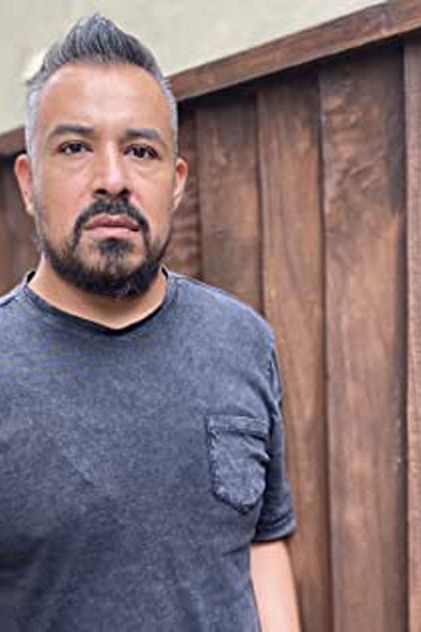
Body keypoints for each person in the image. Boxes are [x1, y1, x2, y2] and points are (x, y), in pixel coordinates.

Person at [0, 14, 300, 631]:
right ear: (28, 183)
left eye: (141, 151)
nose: (112, 179)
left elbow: (262, 544)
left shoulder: (243, 342)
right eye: (75, 148)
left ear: (176, 182)